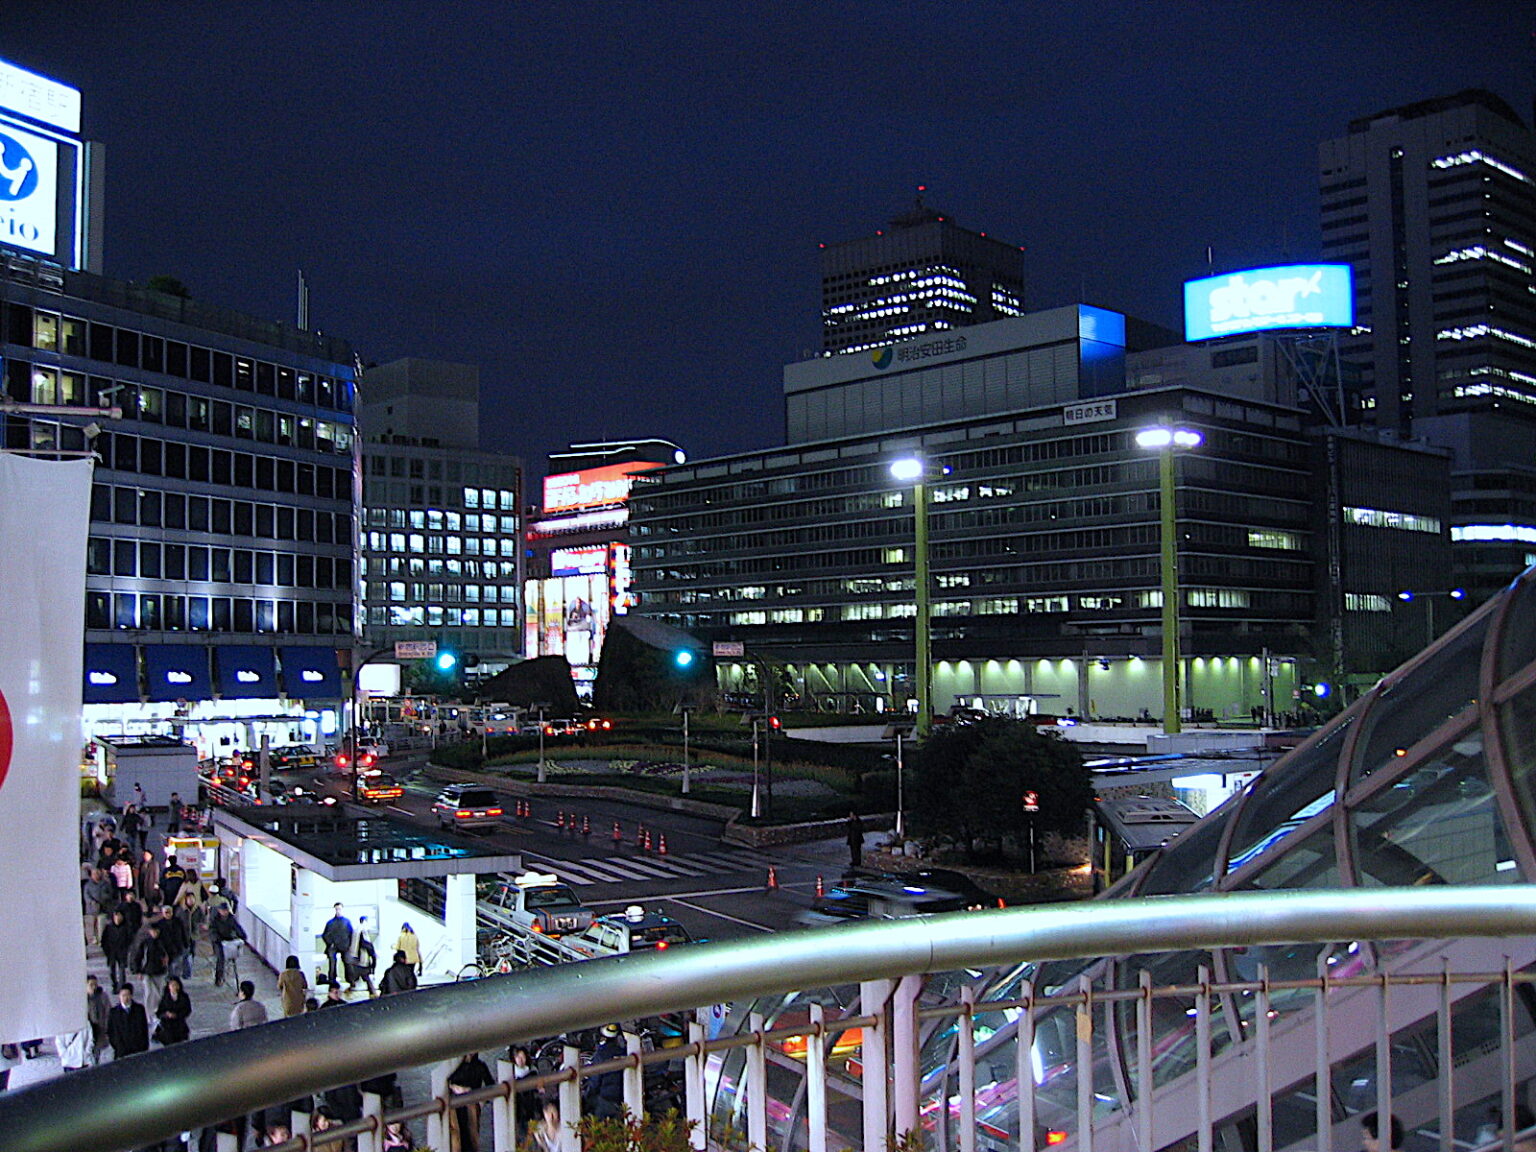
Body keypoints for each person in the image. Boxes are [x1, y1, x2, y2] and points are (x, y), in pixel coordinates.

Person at [447, 1051, 494, 1152]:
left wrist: (480, 1100)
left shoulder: (480, 1066)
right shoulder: (454, 1066)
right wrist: (456, 1088)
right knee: (456, 1137)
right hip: (455, 1107)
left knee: (471, 1138)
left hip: (471, 1106)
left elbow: (491, 1086)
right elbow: (446, 1083)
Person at [583, 1024, 626, 1120]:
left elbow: (595, 1081)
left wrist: (587, 1097)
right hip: (622, 1098)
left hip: (606, 1099)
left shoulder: (601, 1055)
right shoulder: (623, 1051)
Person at [131, 921, 171, 1009]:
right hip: (147, 971)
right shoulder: (145, 943)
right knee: (148, 992)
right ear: (149, 931)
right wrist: (137, 970)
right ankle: (148, 1012)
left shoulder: (163, 942)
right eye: (153, 931)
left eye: (156, 931)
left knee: (159, 992)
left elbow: (169, 954)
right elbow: (138, 957)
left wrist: (167, 963)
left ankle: (157, 1010)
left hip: (160, 970)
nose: (154, 933)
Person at [106, 982, 150, 1060]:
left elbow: (144, 1029)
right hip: (121, 1052)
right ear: (119, 996)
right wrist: (118, 1047)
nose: (126, 998)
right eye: (123, 995)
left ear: (131, 995)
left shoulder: (139, 1009)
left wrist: (144, 1047)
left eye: (128, 995)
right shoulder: (114, 1012)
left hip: (138, 1049)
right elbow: (111, 1032)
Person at [209, 904, 247, 987]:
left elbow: (237, 928)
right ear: (219, 911)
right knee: (220, 958)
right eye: (223, 911)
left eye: (226, 910)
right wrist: (217, 939)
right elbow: (212, 931)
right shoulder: (215, 920)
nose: (225, 912)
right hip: (218, 941)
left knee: (234, 954)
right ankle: (218, 978)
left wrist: (243, 936)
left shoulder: (231, 918)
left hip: (228, 939)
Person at [153, 975, 192, 1046]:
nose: (174, 987)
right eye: (172, 985)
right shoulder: (165, 997)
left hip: (180, 1026)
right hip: (167, 1026)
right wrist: (166, 1014)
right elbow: (159, 1012)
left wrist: (177, 1015)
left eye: (175, 985)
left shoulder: (184, 997)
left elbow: (187, 1010)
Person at [101, 908, 134, 991]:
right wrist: (106, 951)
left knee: (121, 970)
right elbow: (104, 941)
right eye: (116, 916)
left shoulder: (126, 927)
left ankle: (121, 986)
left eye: (119, 916)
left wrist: (127, 949)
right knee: (112, 970)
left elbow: (130, 939)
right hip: (111, 952)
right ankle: (114, 985)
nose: (118, 918)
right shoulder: (108, 927)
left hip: (122, 952)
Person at [83, 867, 116, 945]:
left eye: (98, 873)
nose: (96, 875)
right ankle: (94, 937)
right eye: (94, 874)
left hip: (103, 907)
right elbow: (86, 895)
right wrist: (91, 902)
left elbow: (111, 893)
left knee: (101, 923)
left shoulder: (105, 883)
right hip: (92, 908)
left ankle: (102, 938)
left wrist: (105, 897)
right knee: (93, 923)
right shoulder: (88, 885)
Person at [346, 914, 378, 996]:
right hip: (362, 956)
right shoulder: (363, 930)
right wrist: (372, 953)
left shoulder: (356, 929)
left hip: (355, 956)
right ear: (364, 921)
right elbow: (365, 943)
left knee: (357, 975)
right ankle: (372, 992)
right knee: (366, 976)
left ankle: (351, 987)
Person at [322, 903, 353, 984]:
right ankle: (332, 981)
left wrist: (349, 945)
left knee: (348, 963)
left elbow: (351, 934)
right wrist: (330, 943)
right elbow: (325, 935)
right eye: (336, 909)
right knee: (332, 964)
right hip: (333, 946)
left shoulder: (347, 922)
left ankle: (350, 980)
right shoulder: (330, 923)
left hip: (345, 946)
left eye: (339, 909)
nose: (338, 911)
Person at [85, 973, 112, 1065]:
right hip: (88, 1029)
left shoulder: (102, 996)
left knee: (97, 1051)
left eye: (95, 984)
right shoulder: (82, 998)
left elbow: (108, 1011)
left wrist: (106, 1025)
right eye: (91, 985)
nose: (94, 987)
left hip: (100, 1029)